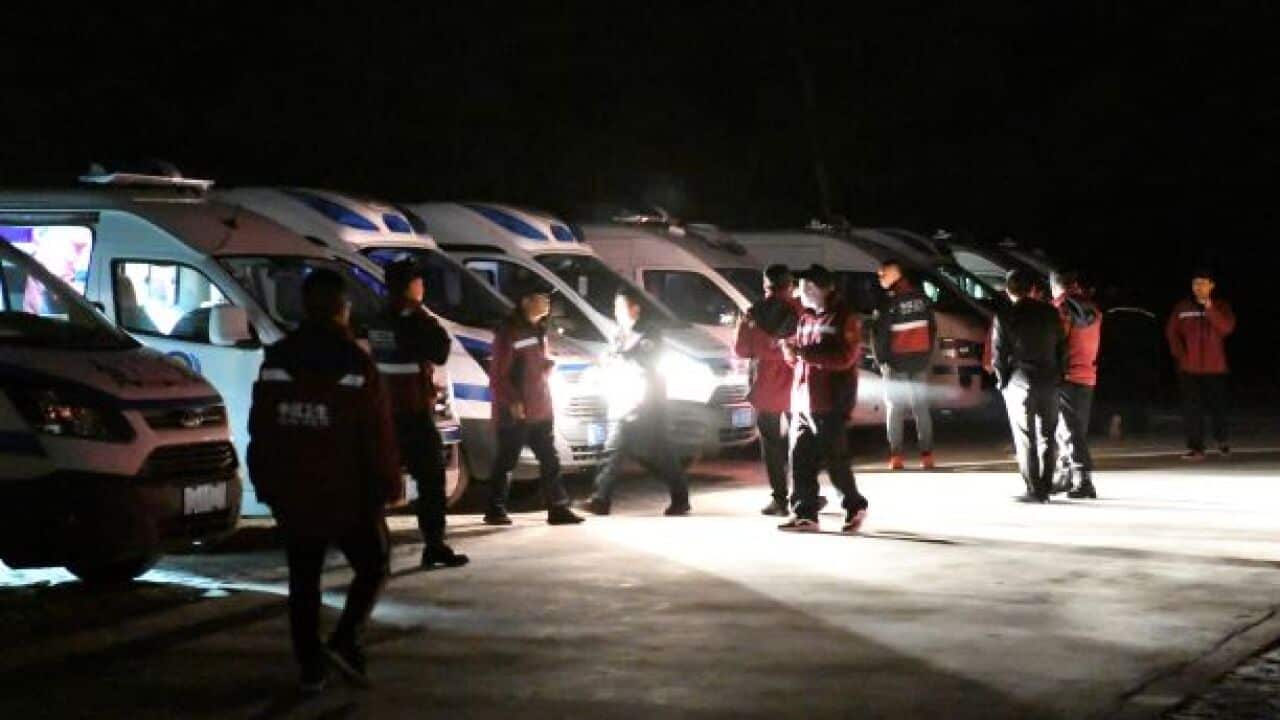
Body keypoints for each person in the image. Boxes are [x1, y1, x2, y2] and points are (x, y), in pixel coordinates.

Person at [247, 269, 401, 692]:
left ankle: (310, 667)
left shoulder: (278, 357)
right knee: (373, 564)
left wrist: (265, 479)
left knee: (304, 579)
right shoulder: (355, 362)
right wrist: (388, 483)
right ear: (342, 308)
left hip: (293, 488)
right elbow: (376, 432)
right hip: (346, 489)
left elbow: (261, 425)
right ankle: (345, 639)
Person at [368, 260, 468, 569]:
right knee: (430, 479)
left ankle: (371, 545)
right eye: (420, 282)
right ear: (411, 286)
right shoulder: (414, 318)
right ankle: (434, 545)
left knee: (379, 479)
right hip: (412, 411)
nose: (423, 287)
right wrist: (424, 317)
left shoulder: (378, 318)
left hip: (384, 411)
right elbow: (440, 351)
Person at [580, 290, 691, 516]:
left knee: (659, 452)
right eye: (615, 308)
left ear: (635, 309)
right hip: (623, 398)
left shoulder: (649, 333)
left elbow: (648, 362)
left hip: (647, 402)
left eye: (621, 307)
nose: (617, 313)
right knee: (615, 448)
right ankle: (601, 499)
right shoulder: (619, 334)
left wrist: (622, 358)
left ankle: (680, 497)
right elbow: (612, 358)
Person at [778, 264, 869, 533]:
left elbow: (845, 358)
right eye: (800, 287)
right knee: (799, 458)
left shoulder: (843, 318)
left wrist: (805, 354)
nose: (801, 293)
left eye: (806, 287)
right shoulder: (805, 317)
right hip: (803, 401)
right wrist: (790, 351)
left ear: (822, 288)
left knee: (835, 459)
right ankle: (805, 513)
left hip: (829, 401)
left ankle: (854, 505)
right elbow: (799, 355)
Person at [484, 286, 584, 526]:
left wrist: (546, 366)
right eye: (542, 297)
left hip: (540, 409)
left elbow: (531, 367)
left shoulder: (538, 330)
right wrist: (513, 402)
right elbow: (498, 376)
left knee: (550, 459)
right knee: (507, 461)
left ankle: (558, 508)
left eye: (548, 298)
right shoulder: (509, 333)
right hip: (517, 413)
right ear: (525, 300)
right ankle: (495, 509)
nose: (547, 302)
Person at [992, 269, 1066, 503]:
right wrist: (1059, 374)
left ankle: (1034, 489)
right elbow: (1062, 347)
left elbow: (998, 354)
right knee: (1048, 434)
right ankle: (1045, 485)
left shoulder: (1005, 315)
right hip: (1050, 379)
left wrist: (1002, 382)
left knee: (1025, 436)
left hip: (1020, 380)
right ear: (1032, 288)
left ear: (1007, 290)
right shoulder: (1050, 312)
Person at [733, 264, 801, 516]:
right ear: (790, 285)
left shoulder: (753, 313)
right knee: (802, 441)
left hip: (766, 386)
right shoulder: (801, 311)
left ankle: (780, 499)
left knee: (771, 445)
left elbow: (741, 351)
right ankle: (805, 494)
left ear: (766, 285)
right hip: (797, 385)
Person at [872, 259, 938, 470]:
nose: (879, 278)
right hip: (920, 361)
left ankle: (896, 456)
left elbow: (879, 337)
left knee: (895, 409)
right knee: (921, 409)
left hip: (895, 363)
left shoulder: (888, 303)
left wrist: (882, 362)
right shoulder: (924, 300)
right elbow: (932, 329)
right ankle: (927, 456)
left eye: (882, 274)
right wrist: (927, 355)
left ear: (894, 276)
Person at [1166, 268, 1236, 460]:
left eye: (1203, 283)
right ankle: (1196, 448)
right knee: (1192, 410)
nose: (1199, 287)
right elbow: (1172, 333)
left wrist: (1209, 307)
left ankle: (1222, 442)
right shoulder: (1182, 307)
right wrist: (1181, 356)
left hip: (1215, 367)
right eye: (1195, 283)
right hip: (1189, 368)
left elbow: (1226, 328)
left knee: (1218, 407)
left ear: (1211, 286)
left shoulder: (1221, 306)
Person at [1049, 270, 1102, 499]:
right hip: (1088, 373)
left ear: (1055, 285)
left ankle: (1083, 478)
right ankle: (1065, 476)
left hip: (1067, 375)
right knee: (1074, 428)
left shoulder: (1059, 309)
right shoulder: (1093, 309)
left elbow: (1055, 342)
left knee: (1069, 430)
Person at [1096, 287, 1161, 438]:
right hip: (1140, 360)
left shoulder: (1108, 314)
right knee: (1138, 394)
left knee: (1115, 394)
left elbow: (1101, 338)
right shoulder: (1147, 316)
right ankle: (1139, 426)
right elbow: (1154, 342)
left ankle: (1115, 418)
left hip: (1114, 359)